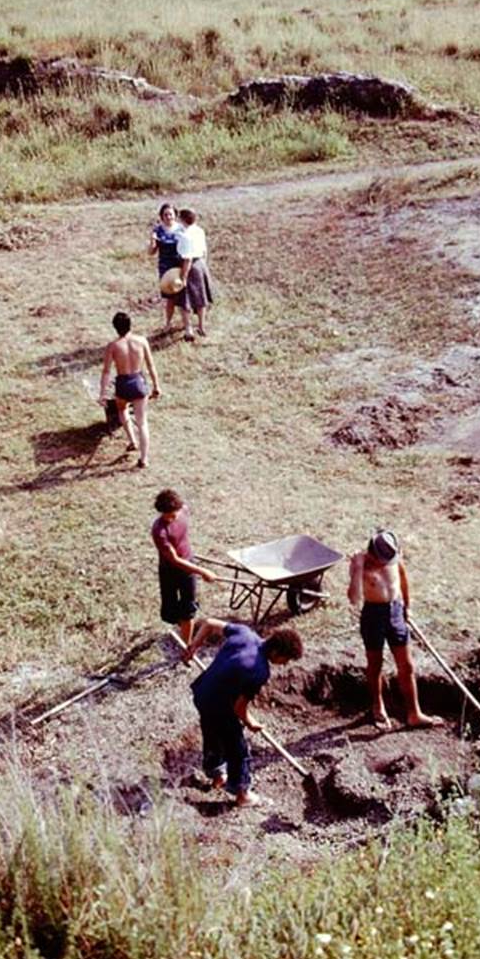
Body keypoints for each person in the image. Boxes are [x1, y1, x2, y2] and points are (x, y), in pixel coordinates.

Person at [185, 617, 303, 808]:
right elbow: (239, 708)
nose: (283, 664)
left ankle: (217, 774)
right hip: (218, 704)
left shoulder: (244, 633)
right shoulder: (259, 671)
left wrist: (194, 646)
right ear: (276, 652)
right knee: (237, 748)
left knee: (212, 732)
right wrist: (251, 723)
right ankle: (242, 794)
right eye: (285, 659)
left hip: (202, 692)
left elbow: (208, 623)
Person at [348, 530, 442, 731]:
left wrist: (407, 606)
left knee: (406, 665)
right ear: (372, 552)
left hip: (396, 611)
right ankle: (378, 707)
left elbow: (402, 577)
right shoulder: (362, 564)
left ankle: (414, 713)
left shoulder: (392, 557)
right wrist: (357, 568)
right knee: (375, 664)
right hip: (373, 615)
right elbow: (354, 598)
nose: (386, 563)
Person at [151, 489, 217, 646]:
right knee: (169, 612)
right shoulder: (159, 531)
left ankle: (187, 646)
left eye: (174, 514)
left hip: (188, 568)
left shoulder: (184, 510)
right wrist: (203, 571)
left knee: (187, 609)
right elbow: (174, 559)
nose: (171, 518)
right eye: (167, 515)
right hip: (170, 571)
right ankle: (184, 624)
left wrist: (195, 569)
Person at [99, 311, 161, 469]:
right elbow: (150, 365)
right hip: (138, 382)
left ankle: (132, 441)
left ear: (115, 328)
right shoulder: (141, 341)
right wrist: (156, 385)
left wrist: (103, 393)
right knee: (142, 422)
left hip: (123, 384)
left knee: (122, 409)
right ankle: (144, 458)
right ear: (130, 324)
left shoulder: (113, 346)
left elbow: (106, 371)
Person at [177, 208, 214, 341]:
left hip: (190, 266)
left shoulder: (185, 236)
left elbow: (187, 259)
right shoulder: (199, 231)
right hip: (201, 264)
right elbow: (205, 251)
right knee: (201, 298)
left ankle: (188, 330)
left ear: (182, 219)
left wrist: (184, 277)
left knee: (185, 299)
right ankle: (201, 326)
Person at [148, 203, 183, 331]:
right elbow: (151, 252)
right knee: (170, 297)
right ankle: (168, 323)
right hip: (166, 267)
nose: (168, 217)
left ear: (175, 215)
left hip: (181, 265)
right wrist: (152, 241)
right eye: (166, 215)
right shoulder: (158, 230)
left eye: (171, 214)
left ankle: (186, 323)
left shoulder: (182, 229)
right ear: (161, 216)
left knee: (183, 295)